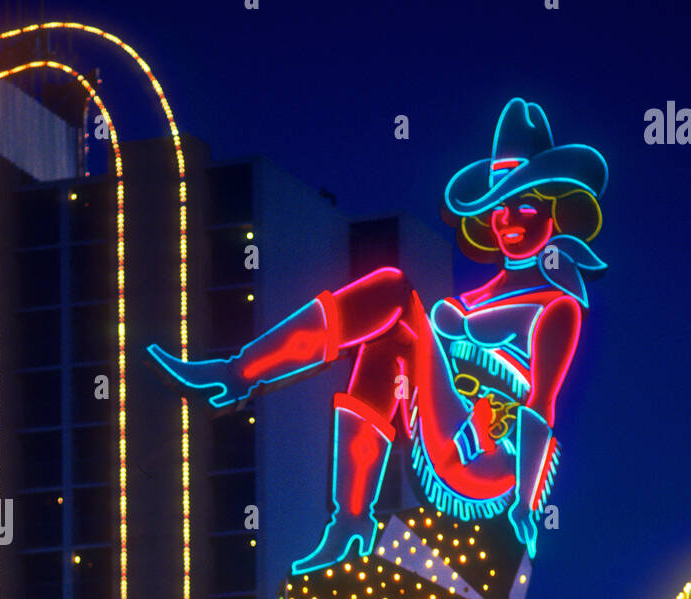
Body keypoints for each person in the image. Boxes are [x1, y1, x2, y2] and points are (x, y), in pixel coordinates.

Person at [149, 98, 607, 571]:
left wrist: (527, 506)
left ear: (554, 213)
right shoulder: (473, 300)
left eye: (525, 206)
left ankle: (236, 374)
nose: (508, 220)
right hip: (442, 433)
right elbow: (429, 371)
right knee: (386, 340)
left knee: (394, 292)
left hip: (490, 458)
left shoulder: (557, 308)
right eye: (500, 207)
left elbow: (541, 407)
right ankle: (350, 523)